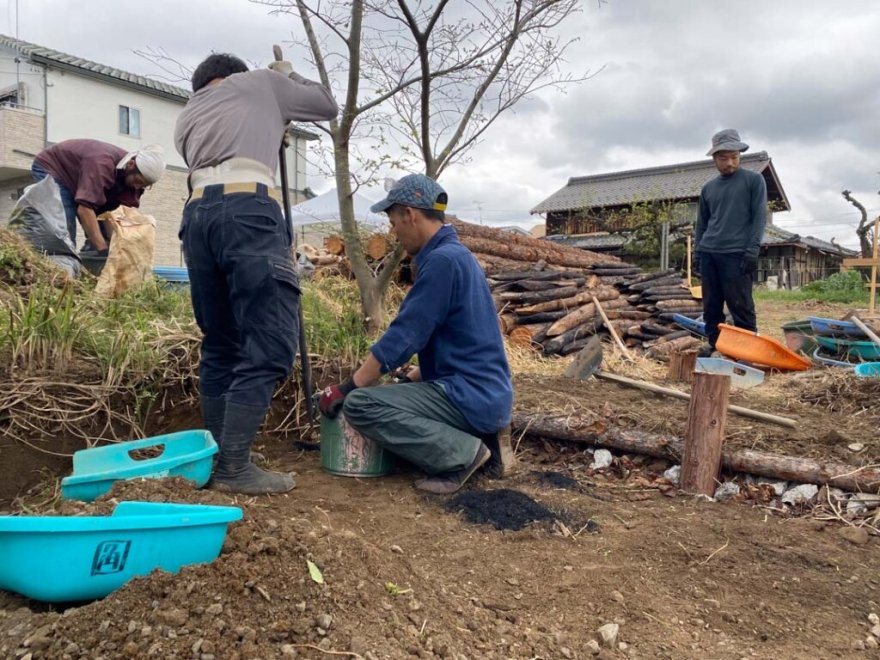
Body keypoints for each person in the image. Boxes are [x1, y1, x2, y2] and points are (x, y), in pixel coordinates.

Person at [175, 52, 337, 495]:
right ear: (234, 75)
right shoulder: (260, 82)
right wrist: (287, 75)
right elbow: (325, 104)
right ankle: (234, 468)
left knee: (222, 342)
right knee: (269, 343)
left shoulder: (189, 116)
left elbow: (235, 143)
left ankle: (220, 458)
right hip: (247, 212)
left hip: (196, 218)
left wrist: (272, 129)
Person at [318, 174, 515, 495]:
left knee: (361, 405)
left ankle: (463, 455)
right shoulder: (459, 257)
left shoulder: (442, 262)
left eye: (394, 222)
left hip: (470, 396)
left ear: (410, 214)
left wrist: (346, 388)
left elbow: (403, 338)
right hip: (484, 393)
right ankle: (480, 445)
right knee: (388, 395)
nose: (393, 232)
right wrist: (415, 376)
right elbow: (465, 340)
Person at [694, 128, 767, 355]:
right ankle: (715, 346)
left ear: (740, 156)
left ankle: (746, 351)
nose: (730, 163)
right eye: (724, 158)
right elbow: (702, 224)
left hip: (737, 253)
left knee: (741, 304)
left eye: (734, 157)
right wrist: (697, 253)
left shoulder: (754, 181)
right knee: (711, 306)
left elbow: (759, 218)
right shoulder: (709, 188)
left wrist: (752, 249)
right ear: (715, 158)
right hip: (709, 252)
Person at [32, 139, 166, 254]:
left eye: (145, 185)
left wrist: (116, 246)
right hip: (53, 168)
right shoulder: (101, 165)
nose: (138, 187)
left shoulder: (133, 180)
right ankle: (62, 268)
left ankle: (91, 267)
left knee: (105, 239)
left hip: (81, 180)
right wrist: (102, 249)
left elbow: (108, 214)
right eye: (138, 181)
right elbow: (84, 210)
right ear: (130, 165)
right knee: (64, 225)